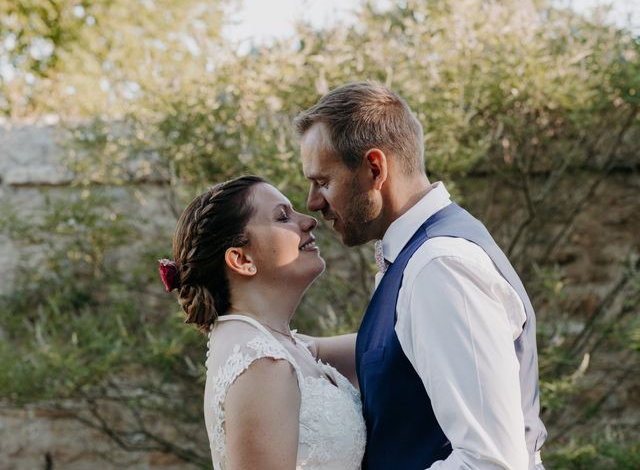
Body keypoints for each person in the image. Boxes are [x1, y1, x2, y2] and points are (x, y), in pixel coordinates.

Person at [295, 81, 547, 469]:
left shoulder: (440, 267)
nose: (313, 204)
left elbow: (490, 462)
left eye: (323, 182)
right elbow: (395, 355)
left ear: (374, 168)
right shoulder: (414, 258)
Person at [158, 175, 366, 469]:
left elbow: (378, 347)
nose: (308, 221)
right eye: (283, 217)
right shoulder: (261, 361)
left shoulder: (275, 345)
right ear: (242, 260)